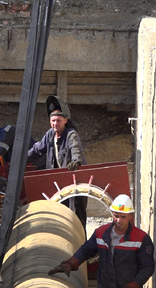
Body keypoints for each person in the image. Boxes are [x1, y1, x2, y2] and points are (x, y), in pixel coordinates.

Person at [48, 194, 155, 288]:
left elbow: (147, 267)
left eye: (123, 217)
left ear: (130, 216)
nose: (119, 220)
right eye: (116, 216)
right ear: (112, 213)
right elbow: (86, 250)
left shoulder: (141, 238)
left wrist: (134, 284)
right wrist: (70, 263)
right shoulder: (101, 233)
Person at [27, 95, 88, 229]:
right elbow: (37, 149)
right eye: (53, 120)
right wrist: (23, 161)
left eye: (58, 120)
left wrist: (76, 161)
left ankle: (81, 241)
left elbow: (75, 148)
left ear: (65, 120)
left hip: (75, 181)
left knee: (77, 214)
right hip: (59, 182)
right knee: (59, 212)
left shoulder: (71, 134)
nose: (55, 123)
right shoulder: (50, 134)